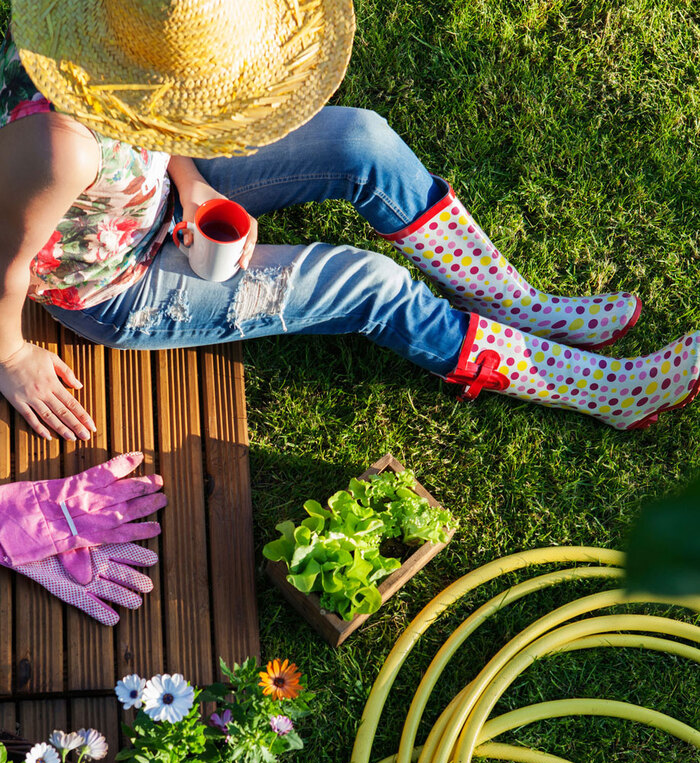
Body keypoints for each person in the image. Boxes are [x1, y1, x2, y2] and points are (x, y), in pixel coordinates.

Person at [1, 0, 698, 445]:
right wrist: (9, 357)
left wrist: (192, 179)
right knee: (368, 284)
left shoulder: (105, 33)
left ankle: (517, 306)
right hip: (121, 284)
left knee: (360, 139)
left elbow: (153, 112)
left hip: (155, 192)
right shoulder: (58, 147)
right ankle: (595, 388)